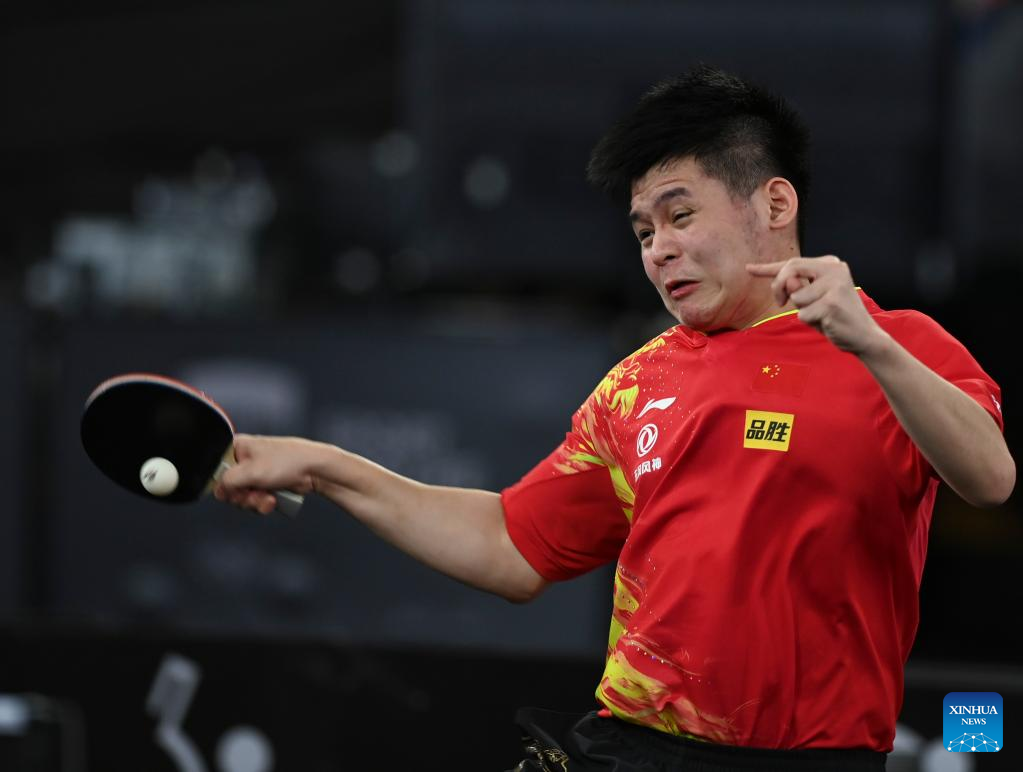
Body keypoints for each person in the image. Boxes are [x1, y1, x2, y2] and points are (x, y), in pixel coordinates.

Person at [214, 66, 1015, 771]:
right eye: (643, 230)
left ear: (772, 203)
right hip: (637, 746)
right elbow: (508, 547)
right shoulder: (636, 385)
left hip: (814, 760)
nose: (658, 249)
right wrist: (325, 467)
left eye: (679, 215)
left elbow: (989, 478)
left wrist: (867, 343)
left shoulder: (898, 346)